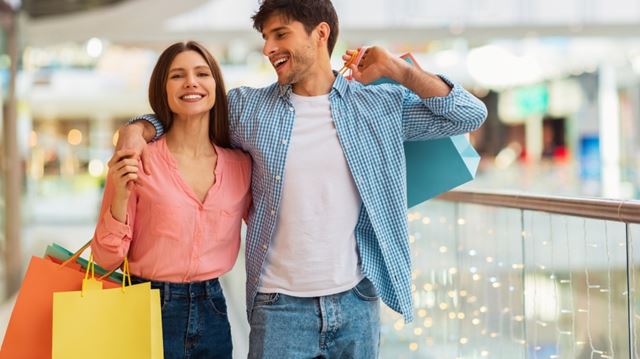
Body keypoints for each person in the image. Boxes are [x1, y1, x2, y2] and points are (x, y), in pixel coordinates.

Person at [117, 0, 487, 357]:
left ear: (320, 33)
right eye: (265, 37)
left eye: (280, 35)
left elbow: (469, 115)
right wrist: (140, 127)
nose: (268, 48)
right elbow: (191, 113)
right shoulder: (249, 109)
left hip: (357, 302)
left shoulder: (379, 107)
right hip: (278, 308)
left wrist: (398, 70)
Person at [91, 41, 251, 359]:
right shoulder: (138, 157)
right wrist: (120, 193)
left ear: (215, 86)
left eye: (202, 73)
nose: (191, 82)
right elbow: (105, 260)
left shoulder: (241, 165)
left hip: (214, 309)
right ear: (162, 89)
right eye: (177, 75)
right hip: (144, 304)